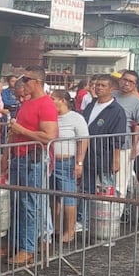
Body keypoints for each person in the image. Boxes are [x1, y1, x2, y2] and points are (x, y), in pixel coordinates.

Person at [0, 66, 58, 266]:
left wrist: (21, 130)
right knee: (17, 203)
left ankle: (28, 247)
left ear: (37, 82)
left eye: (27, 79)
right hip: (20, 157)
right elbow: (15, 132)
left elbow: (49, 135)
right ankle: (16, 243)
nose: (23, 82)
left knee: (29, 205)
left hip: (33, 160)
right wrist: (6, 155)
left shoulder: (46, 104)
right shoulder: (30, 103)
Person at [81, 75, 128, 227]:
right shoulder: (90, 105)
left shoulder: (117, 110)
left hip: (105, 155)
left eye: (102, 85)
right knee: (86, 188)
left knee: (106, 189)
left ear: (111, 89)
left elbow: (118, 137)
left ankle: (107, 222)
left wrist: (116, 159)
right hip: (88, 154)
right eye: (97, 85)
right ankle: (84, 220)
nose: (98, 88)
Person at [50, 90, 88, 244]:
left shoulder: (76, 118)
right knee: (53, 197)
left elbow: (83, 141)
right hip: (51, 161)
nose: (50, 101)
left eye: (53, 99)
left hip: (67, 162)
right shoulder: (52, 117)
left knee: (68, 197)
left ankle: (70, 230)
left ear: (63, 101)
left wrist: (79, 162)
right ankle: (56, 228)